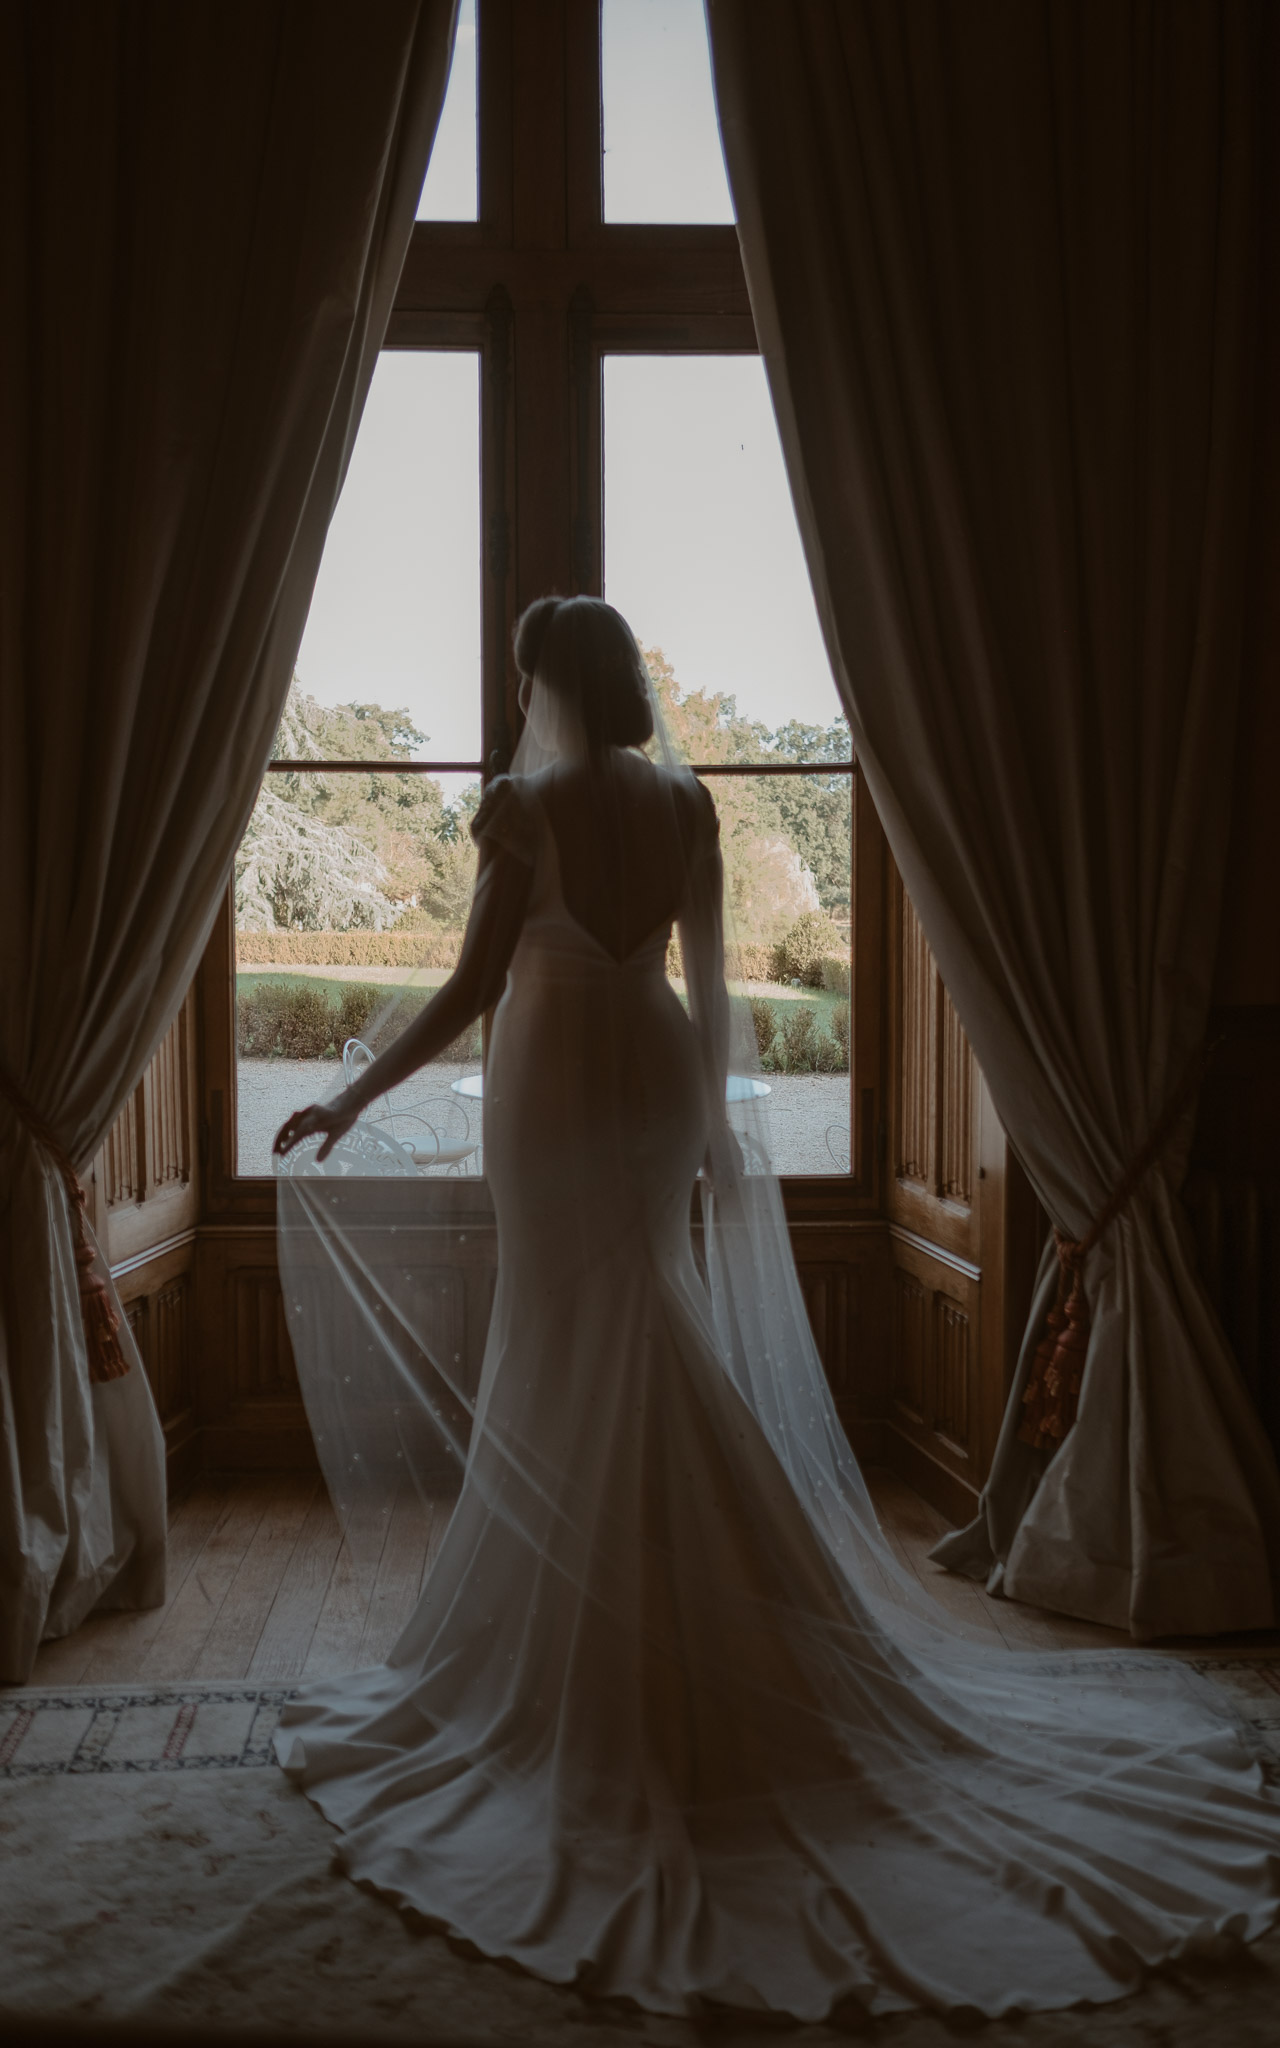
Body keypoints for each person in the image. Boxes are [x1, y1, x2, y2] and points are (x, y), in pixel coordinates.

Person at [272, 596, 1280, 2023]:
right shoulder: (687, 801)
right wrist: (721, 1128)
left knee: (565, 1336)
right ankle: (720, 1607)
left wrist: (354, 1092)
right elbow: (709, 982)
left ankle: (581, 1647)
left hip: (556, 1087)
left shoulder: (523, 806)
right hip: (659, 1079)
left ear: (540, 688)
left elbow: (471, 988)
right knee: (643, 1320)